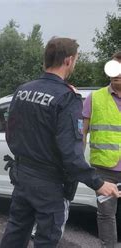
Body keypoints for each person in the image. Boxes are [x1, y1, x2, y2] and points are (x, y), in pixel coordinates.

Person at [0, 38, 119, 247]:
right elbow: (71, 154)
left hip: (23, 176)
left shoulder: (23, 90)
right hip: (50, 184)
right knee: (46, 239)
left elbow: (11, 134)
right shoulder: (67, 97)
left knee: (15, 232)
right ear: (68, 60)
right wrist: (98, 183)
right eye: (76, 60)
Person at [82, 51, 121, 248]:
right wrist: (77, 163)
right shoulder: (94, 98)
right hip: (104, 169)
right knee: (106, 215)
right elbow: (82, 134)